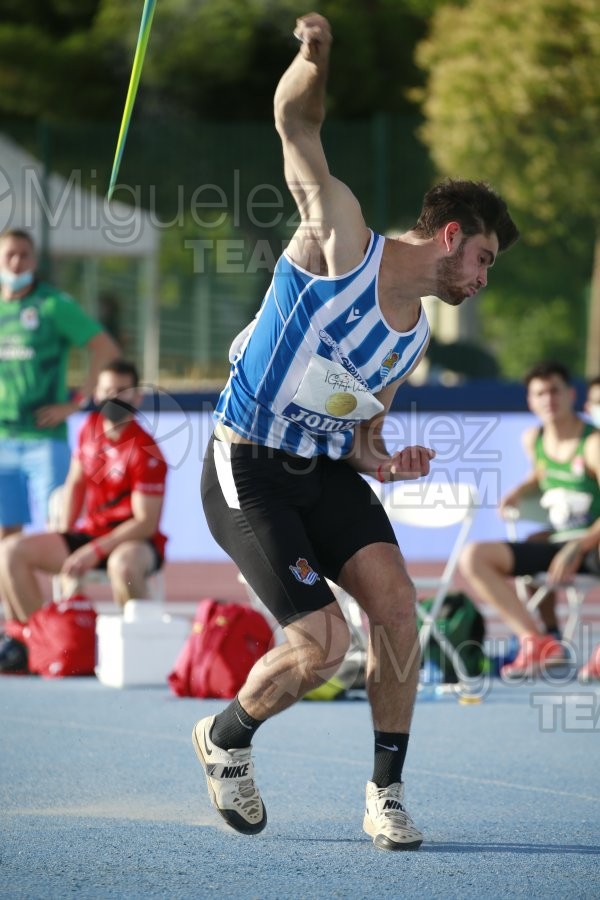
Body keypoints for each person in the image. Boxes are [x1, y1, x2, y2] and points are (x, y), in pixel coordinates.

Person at [194, 11, 519, 852]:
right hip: (250, 467)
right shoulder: (341, 236)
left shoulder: (412, 336)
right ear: (452, 236)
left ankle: (386, 793)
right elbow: (295, 122)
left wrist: (380, 454)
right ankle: (227, 736)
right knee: (322, 647)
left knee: (399, 612)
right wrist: (316, 53)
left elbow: (359, 429)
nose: (483, 279)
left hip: (320, 470)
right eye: (484, 259)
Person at [0, 359, 168, 674]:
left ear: (137, 397)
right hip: (91, 534)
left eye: (122, 391)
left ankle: (137, 654)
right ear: (96, 393)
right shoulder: (89, 428)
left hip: (132, 542)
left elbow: (146, 522)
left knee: (124, 567)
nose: (113, 397)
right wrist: (64, 532)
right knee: (9, 552)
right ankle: (45, 645)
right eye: (107, 390)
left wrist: (94, 550)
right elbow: (75, 484)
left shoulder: (148, 450)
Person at [459, 362, 600, 678]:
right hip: (557, 541)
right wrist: (519, 490)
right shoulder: (532, 439)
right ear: (530, 401)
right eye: (540, 393)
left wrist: (578, 546)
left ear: (571, 395)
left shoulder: (593, 444)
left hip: (592, 543)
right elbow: (543, 471)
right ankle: (538, 641)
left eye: (554, 391)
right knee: (474, 557)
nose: (548, 399)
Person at [0, 228, 120, 539]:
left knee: (59, 526)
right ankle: (18, 591)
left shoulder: (52, 305)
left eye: (24, 255)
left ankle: (65, 591)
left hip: (44, 438)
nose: (16, 262)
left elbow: (106, 348)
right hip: (2, 437)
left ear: (34, 259)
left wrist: (76, 402)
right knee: (5, 535)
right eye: (9, 255)